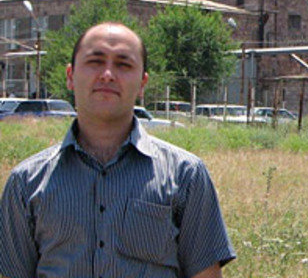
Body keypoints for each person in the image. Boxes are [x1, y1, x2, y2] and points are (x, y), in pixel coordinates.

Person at [0, 22, 235, 278]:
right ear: (70, 75)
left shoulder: (186, 176)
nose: (108, 74)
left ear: (143, 82)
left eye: (123, 65)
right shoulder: (26, 183)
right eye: (95, 61)